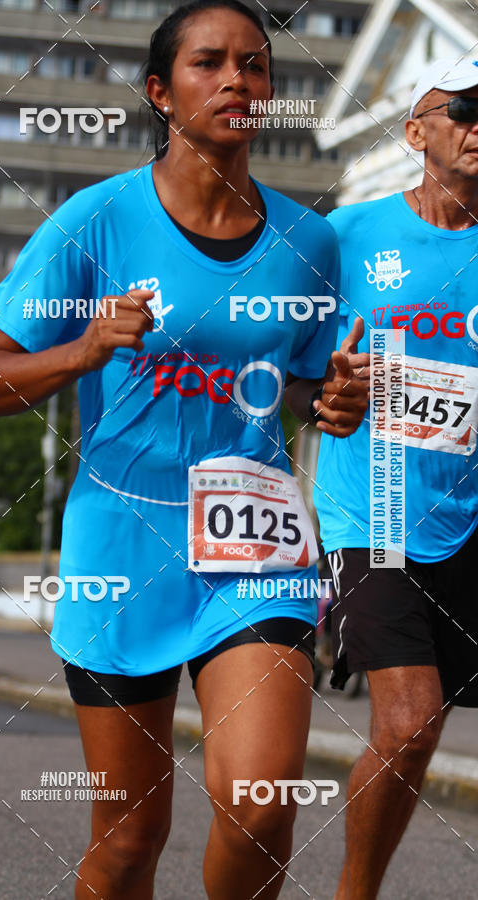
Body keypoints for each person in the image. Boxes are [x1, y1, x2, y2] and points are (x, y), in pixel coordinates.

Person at [0, 2, 366, 897]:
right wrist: (82, 351)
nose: (238, 80)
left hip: (255, 544)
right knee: (126, 842)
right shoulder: (95, 221)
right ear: (161, 90)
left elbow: (297, 385)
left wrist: (333, 397)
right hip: (123, 546)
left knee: (262, 805)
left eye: (256, 66)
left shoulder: (309, 240)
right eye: (210, 63)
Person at [314, 57, 478, 900]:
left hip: (472, 516)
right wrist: (328, 398)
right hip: (372, 511)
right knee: (410, 723)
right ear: (417, 132)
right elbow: (298, 364)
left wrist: (407, 383)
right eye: (464, 110)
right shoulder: (346, 235)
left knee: (427, 727)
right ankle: (356, 893)